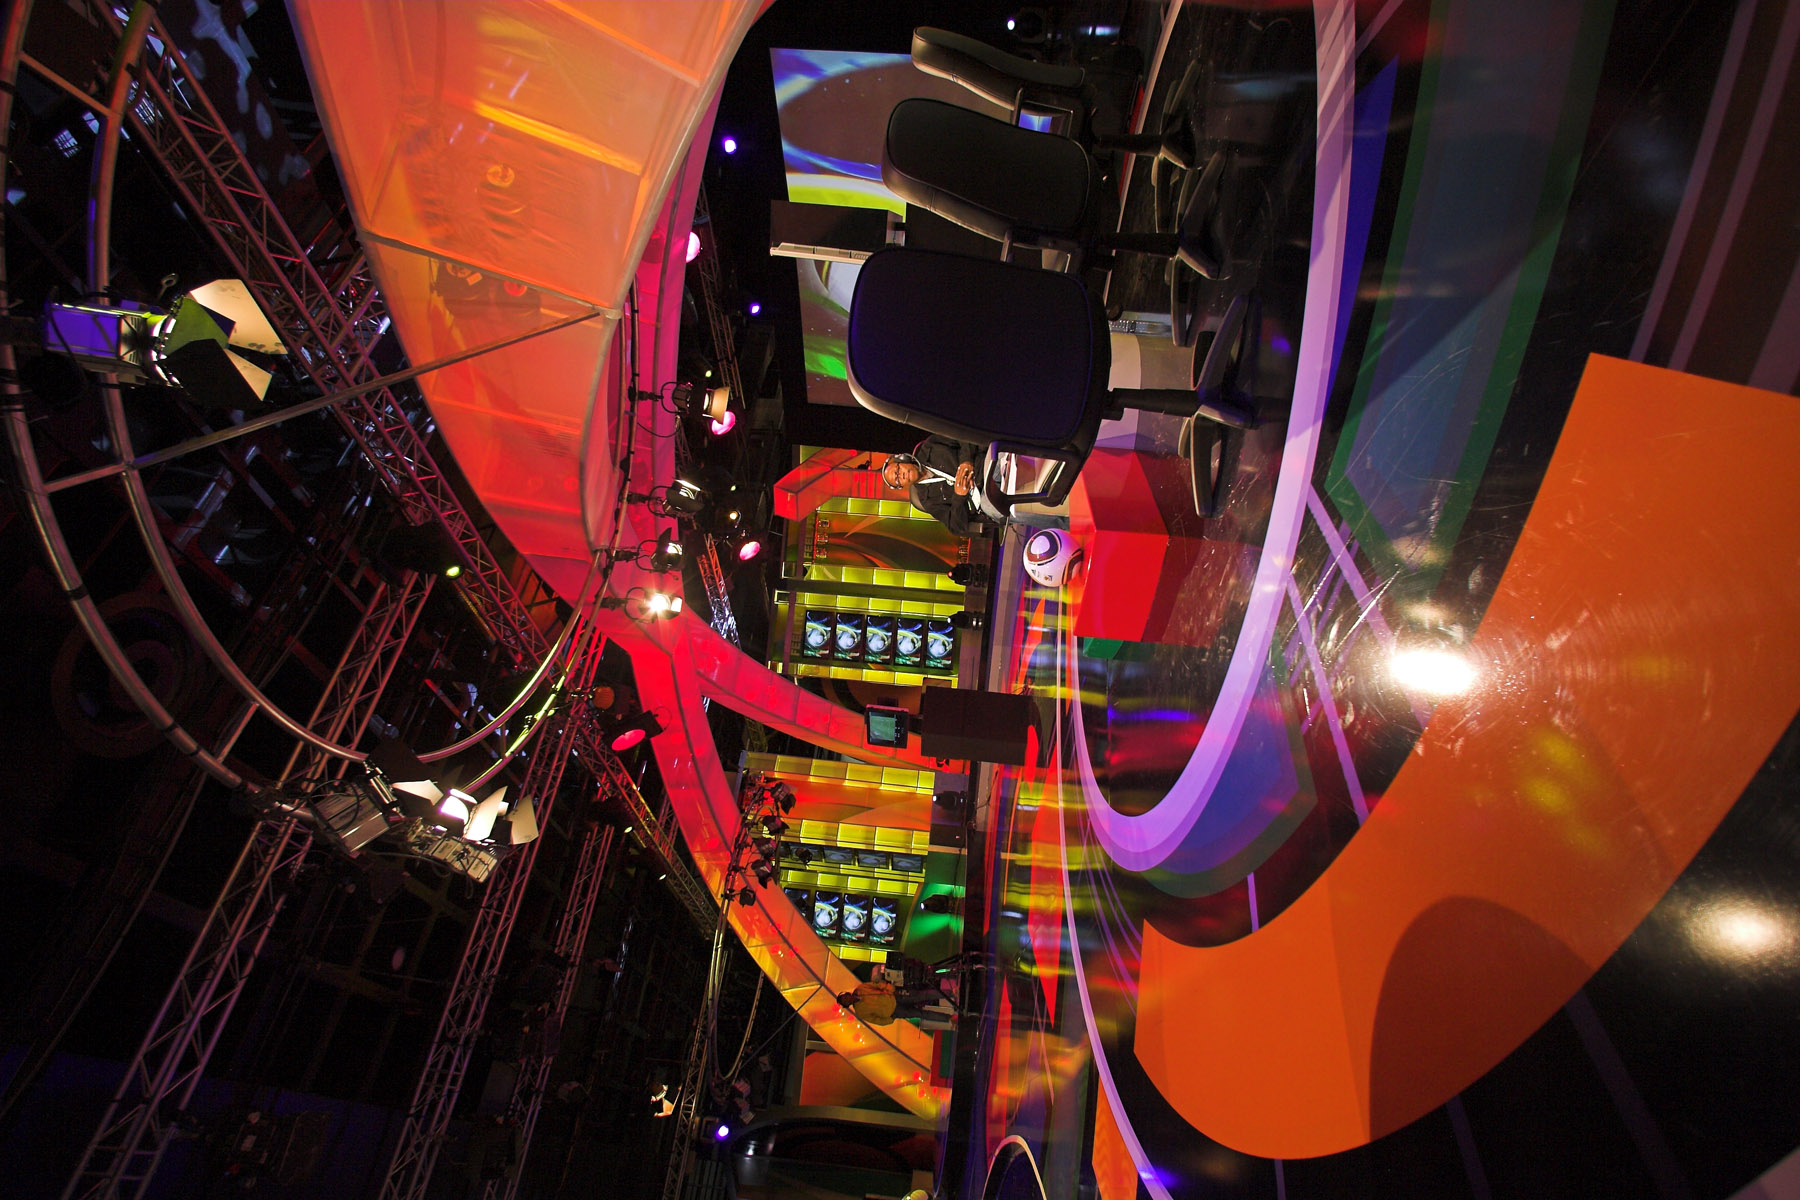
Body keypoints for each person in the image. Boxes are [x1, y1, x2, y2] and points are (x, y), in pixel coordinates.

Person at [881, 436, 987, 537]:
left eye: (898, 470)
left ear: (904, 460)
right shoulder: (928, 501)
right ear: (902, 486)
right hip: (984, 498)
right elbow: (957, 527)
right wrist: (959, 497)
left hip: (985, 465)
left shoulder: (931, 446)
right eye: (897, 480)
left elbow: (962, 435)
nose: (901, 475)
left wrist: (966, 460)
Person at [835, 979, 948, 1026]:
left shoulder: (861, 988)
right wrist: (890, 1019)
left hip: (896, 997)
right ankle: (948, 1018)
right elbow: (876, 1020)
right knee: (921, 1014)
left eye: (845, 997)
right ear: (847, 1005)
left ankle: (949, 993)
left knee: (922, 995)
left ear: (847, 994)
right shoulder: (860, 1012)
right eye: (845, 1002)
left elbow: (878, 985)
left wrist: (891, 990)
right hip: (895, 1011)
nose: (847, 999)